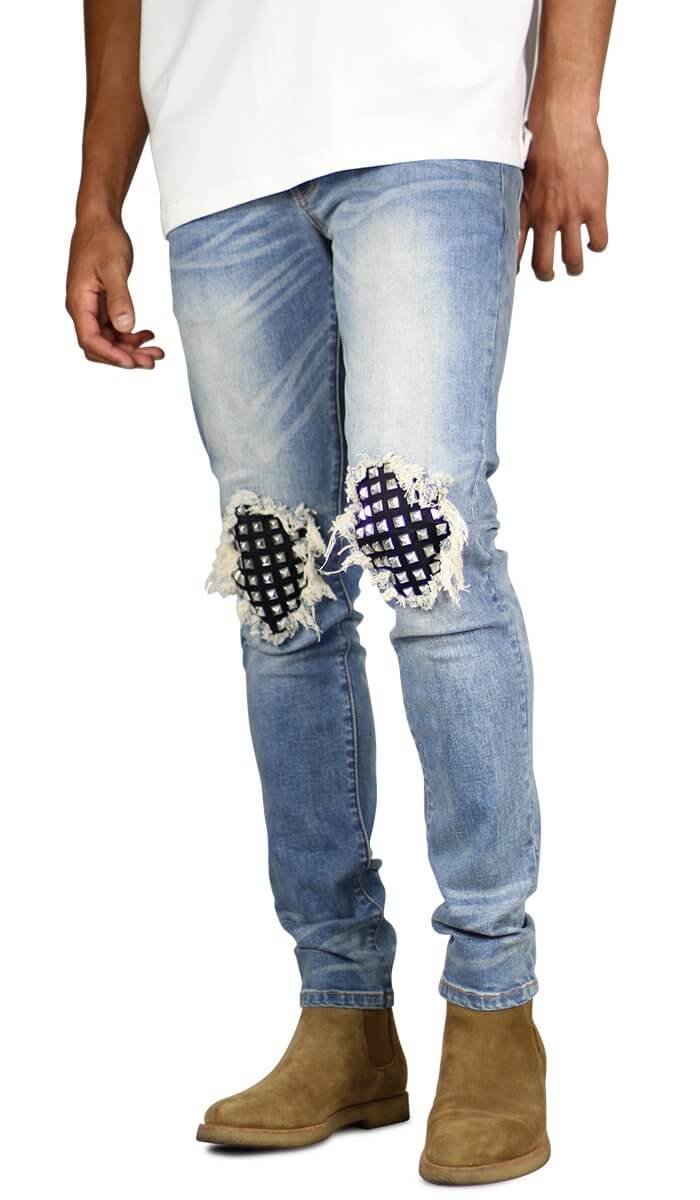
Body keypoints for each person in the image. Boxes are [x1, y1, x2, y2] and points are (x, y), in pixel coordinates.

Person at [66, 0, 614, 1185]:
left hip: (429, 112)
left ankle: (493, 1004)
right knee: (279, 592)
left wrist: (568, 99)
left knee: (428, 554)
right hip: (217, 157)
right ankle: (343, 1012)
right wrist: (97, 198)